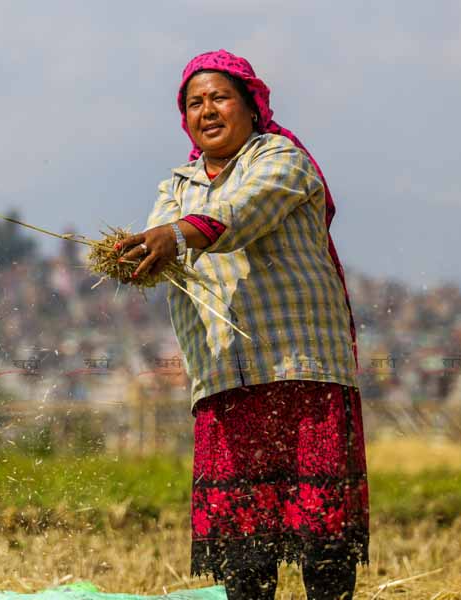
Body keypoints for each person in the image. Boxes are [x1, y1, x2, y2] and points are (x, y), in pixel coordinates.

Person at [117, 50, 369, 599]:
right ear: (184, 119)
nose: (207, 110)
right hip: (225, 378)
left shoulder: (282, 159)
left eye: (219, 97)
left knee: (321, 534)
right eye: (194, 103)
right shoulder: (177, 187)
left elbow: (243, 211)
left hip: (302, 369)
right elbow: (161, 238)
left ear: (252, 107)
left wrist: (175, 237)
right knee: (243, 542)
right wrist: (137, 252)